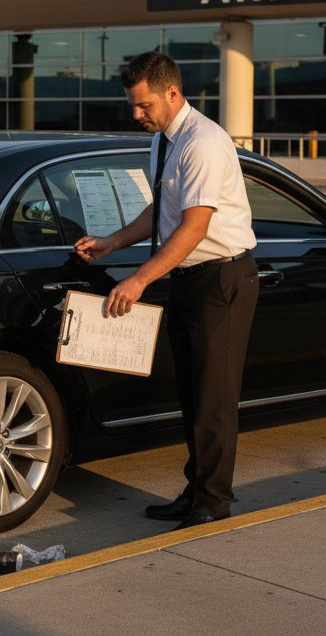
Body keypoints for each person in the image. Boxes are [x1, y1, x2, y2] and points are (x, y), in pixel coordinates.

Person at [74, 51, 258, 530]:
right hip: (187, 279)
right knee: (194, 394)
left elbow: (195, 227)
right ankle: (196, 489)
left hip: (222, 279)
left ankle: (213, 501)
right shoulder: (164, 141)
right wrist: (113, 242)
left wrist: (139, 279)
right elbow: (162, 212)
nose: (137, 115)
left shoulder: (204, 143)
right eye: (134, 107)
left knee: (214, 397)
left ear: (172, 94)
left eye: (144, 106)